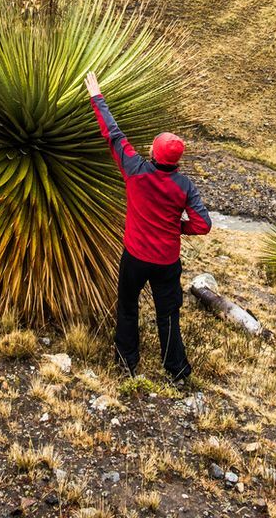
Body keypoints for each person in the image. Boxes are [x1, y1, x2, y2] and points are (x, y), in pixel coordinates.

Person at [85, 69, 212, 382]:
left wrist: (96, 97)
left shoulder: (135, 170)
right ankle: (177, 371)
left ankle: (127, 364)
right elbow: (203, 224)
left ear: (154, 152)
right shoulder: (184, 186)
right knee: (168, 315)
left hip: (136, 257)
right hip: (166, 262)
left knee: (128, 307)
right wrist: (176, 228)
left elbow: (113, 135)